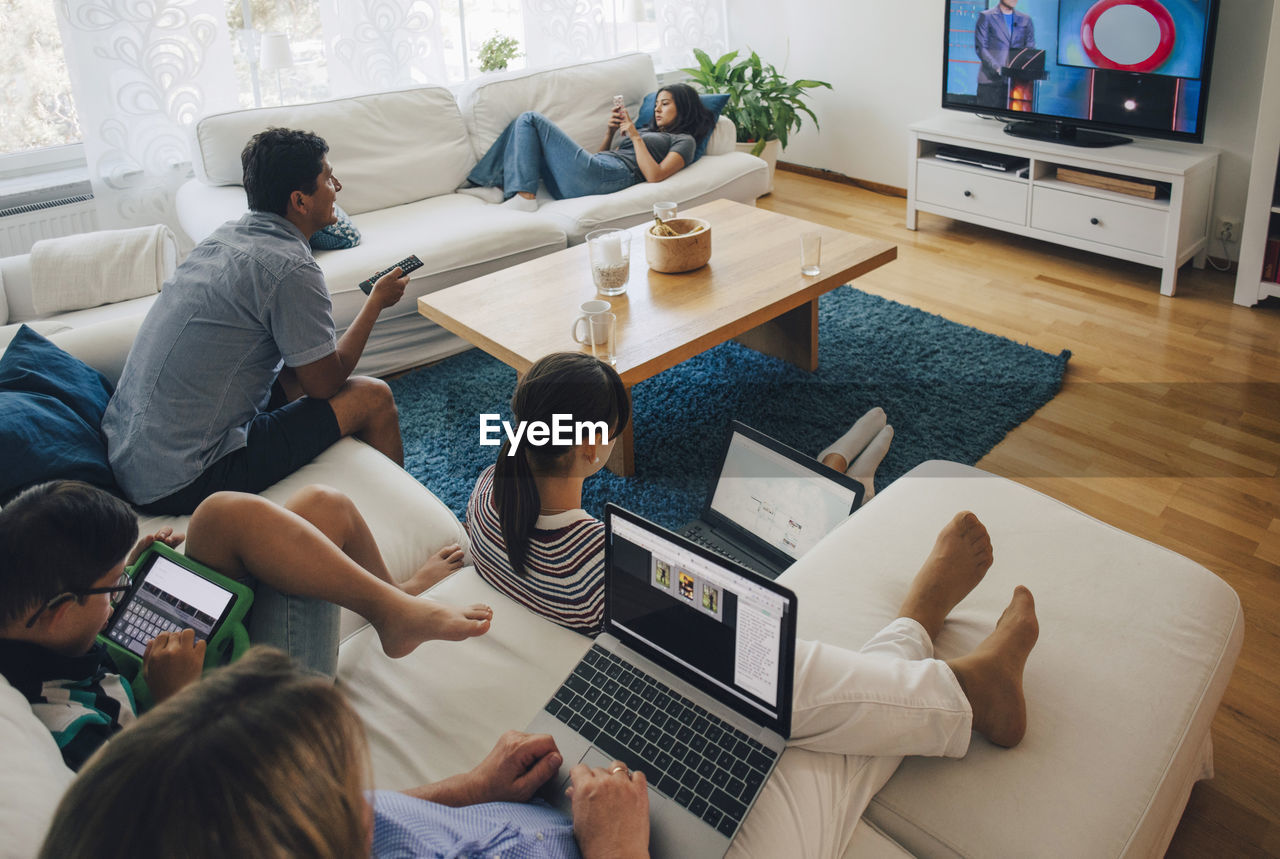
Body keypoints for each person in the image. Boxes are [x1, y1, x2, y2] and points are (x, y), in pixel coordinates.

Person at [39, 540, 1038, 858]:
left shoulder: (207, 824)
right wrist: (611, 849)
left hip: (564, 801)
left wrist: (466, 787)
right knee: (793, 731)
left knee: (706, 675)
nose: (361, 795)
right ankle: (941, 667)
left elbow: (370, 822)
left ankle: (927, 658)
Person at [0, 480, 491, 770]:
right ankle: (394, 610)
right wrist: (178, 700)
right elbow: (169, 809)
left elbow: (84, 623)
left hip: (155, 673)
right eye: (114, 589)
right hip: (237, 736)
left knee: (279, 511)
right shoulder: (66, 726)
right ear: (61, 611)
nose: (122, 590)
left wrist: (126, 570)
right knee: (319, 523)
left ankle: (391, 603)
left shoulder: (28, 614)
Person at [465, 352, 894, 635]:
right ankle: (852, 482)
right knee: (823, 540)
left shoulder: (485, 491)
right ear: (592, 447)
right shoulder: (600, 559)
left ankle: (837, 464)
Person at [103, 128, 409, 515]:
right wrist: (376, 303)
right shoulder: (291, 267)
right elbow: (326, 384)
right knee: (372, 396)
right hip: (186, 477)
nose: (338, 186)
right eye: (328, 178)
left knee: (292, 372)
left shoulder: (225, 237)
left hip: (131, 455)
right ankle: (403, 519)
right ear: (299, 200)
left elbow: (304, 374)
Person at [465, 83, 717, 211]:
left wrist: (634, 135)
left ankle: (524, 197)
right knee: (520, 123)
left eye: (665, 104)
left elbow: (655, 175)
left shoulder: (684, 140)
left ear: (682, 107)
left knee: (530, 119)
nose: (657, 109)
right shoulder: (647, 130)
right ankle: (495, 186)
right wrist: (609, 134)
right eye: (656, 104)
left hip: (613, 175)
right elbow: (600, 159)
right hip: (595, 172)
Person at [974, 0, 1036, 109]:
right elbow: (981, 49)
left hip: (1015, 83)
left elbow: (1030, 48)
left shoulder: (1025, 20)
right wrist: (998, 68)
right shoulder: (986, 17)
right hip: (990, 81)